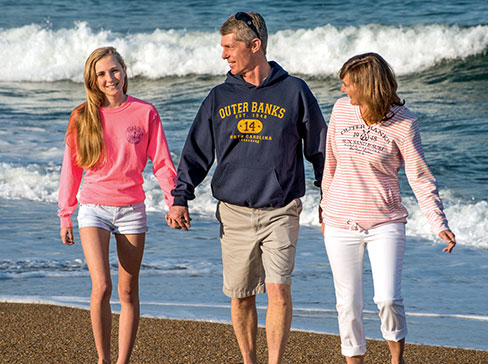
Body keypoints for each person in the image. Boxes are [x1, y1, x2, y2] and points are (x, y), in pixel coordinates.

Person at [165, 11, 327, 364]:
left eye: (229, 46)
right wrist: (181, 197)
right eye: (222, 47)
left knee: (278, 291)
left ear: (255, 46)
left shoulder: (295, 91)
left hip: (281, 209)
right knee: (240, 296)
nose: (223, 54)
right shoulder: (219, 96)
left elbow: (320, 149)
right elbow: (196, 152)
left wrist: (328, 197)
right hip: (234, 214)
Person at [320, 53, 456, 364]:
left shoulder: (404, 123)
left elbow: (420, 177)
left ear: (367, 86)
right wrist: (324, 210)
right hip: (340, 221)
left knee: (387, 299)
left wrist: (439, 222)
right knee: (348, 303)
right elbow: (331, 165)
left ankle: (397, 359)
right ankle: (354, 361)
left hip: (385, 223)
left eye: (348, 85)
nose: (343, 91)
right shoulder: (341, 110)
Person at [58, 46, 177, 364]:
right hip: (93, 207)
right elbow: (71, 168)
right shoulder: (82, 116)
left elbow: (162, 163)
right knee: (102, 286)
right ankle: (103, 360)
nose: (110, 78)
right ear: (93, 81)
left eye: (114, 70)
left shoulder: (145, 112)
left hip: (131, 210)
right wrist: (65, 214)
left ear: (125, 72)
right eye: (101, 74)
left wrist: (173, 200)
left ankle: (123, 361)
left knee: (127, 291)